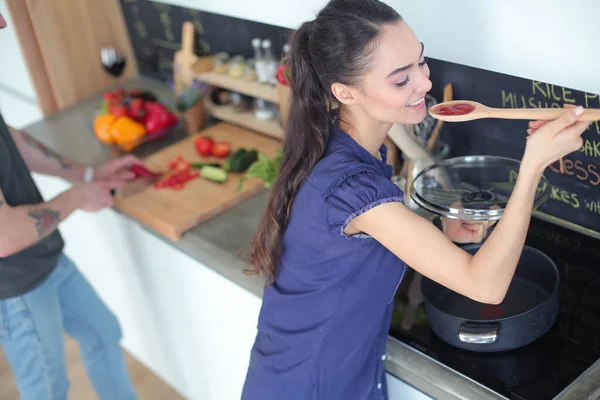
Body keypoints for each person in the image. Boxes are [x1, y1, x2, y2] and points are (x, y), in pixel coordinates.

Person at [241, 0, 589, 399]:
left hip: (323, 372)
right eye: (400, 79)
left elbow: (361, 241)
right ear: (345, 92)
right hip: (311, 387)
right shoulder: (351, 185)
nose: (424, 83)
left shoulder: (349, 150)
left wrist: (433, 230)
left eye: (420, 62)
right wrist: (533, 168)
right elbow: (487, 287)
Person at [0, 11, 141, 400]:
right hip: (15, 286)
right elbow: (3, 236)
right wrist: (78, 198)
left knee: (102, 332)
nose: (3, 23)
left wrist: (87, 176)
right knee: (46, 389)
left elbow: (12, 141)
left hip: (45, 260)